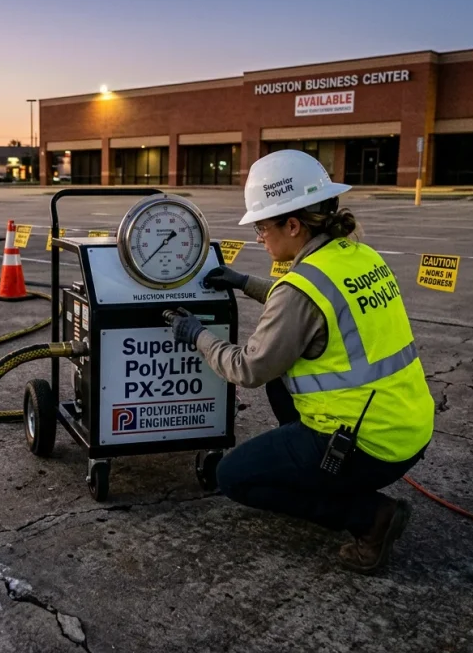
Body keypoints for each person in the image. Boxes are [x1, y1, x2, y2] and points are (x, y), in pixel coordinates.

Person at [168, 149, 434, 574]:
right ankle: (315, 472)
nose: (259, 238)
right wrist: (243, 282)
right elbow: (305, 304)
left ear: (293, 225)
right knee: (283, 378)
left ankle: (370, 517)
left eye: (261, 227)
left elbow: (249, 368)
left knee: (234, 476)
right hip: (406, 427)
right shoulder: (359, 255)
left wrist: (198, 336)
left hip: (368, 445)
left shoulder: (301, 287)